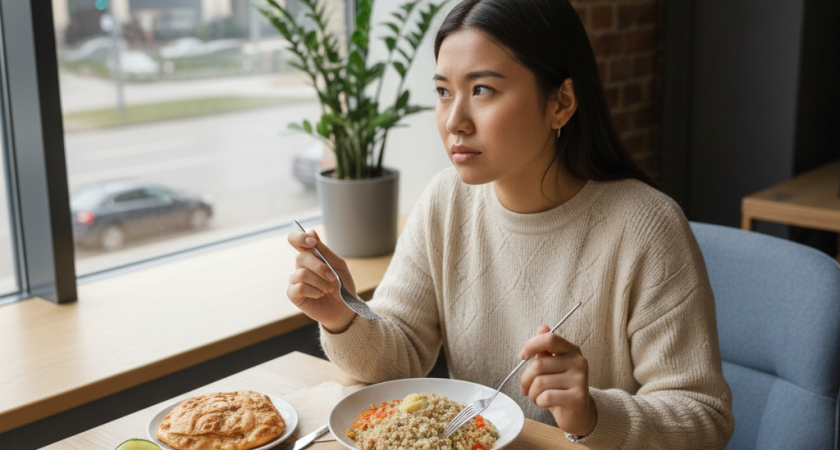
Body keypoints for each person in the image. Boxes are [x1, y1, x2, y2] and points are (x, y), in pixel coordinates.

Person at [286, 0, 734, 447]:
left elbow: (705, 419)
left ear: (561, 103)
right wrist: (342, 315)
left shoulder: (647, 227)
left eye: (482, 89)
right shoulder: (446, 200)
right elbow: (399, 359)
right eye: (444, 91)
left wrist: (593, 413)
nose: (455, 121)